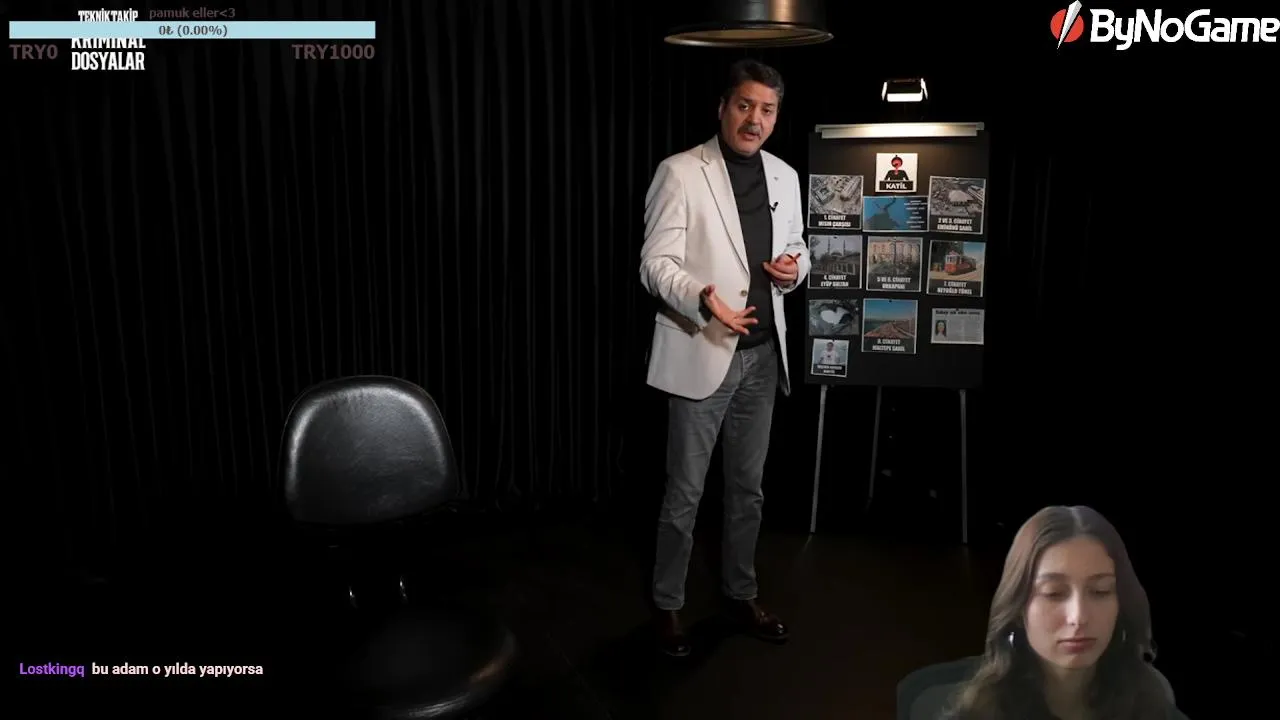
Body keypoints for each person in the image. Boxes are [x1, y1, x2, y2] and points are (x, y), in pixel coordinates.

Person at [638, 58, 810, 657]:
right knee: (684, 494)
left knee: (748, 490)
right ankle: (667, 605)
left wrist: (792, 269)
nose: (754, 119)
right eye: (744, 105)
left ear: (776, 116)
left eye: (767, 110)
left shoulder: (785, 176)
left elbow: (798, 247)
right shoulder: (680, 172)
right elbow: (655, 264)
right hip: (702, 350)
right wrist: (701, 298)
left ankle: (740, 594)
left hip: (762, 357)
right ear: (723, 107)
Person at [940, 506, 1185, 720]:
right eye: (1054, 593)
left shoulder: (1150, 702)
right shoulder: (980, 714)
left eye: (1100, 591)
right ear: (1017, 608)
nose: (1078, 617)